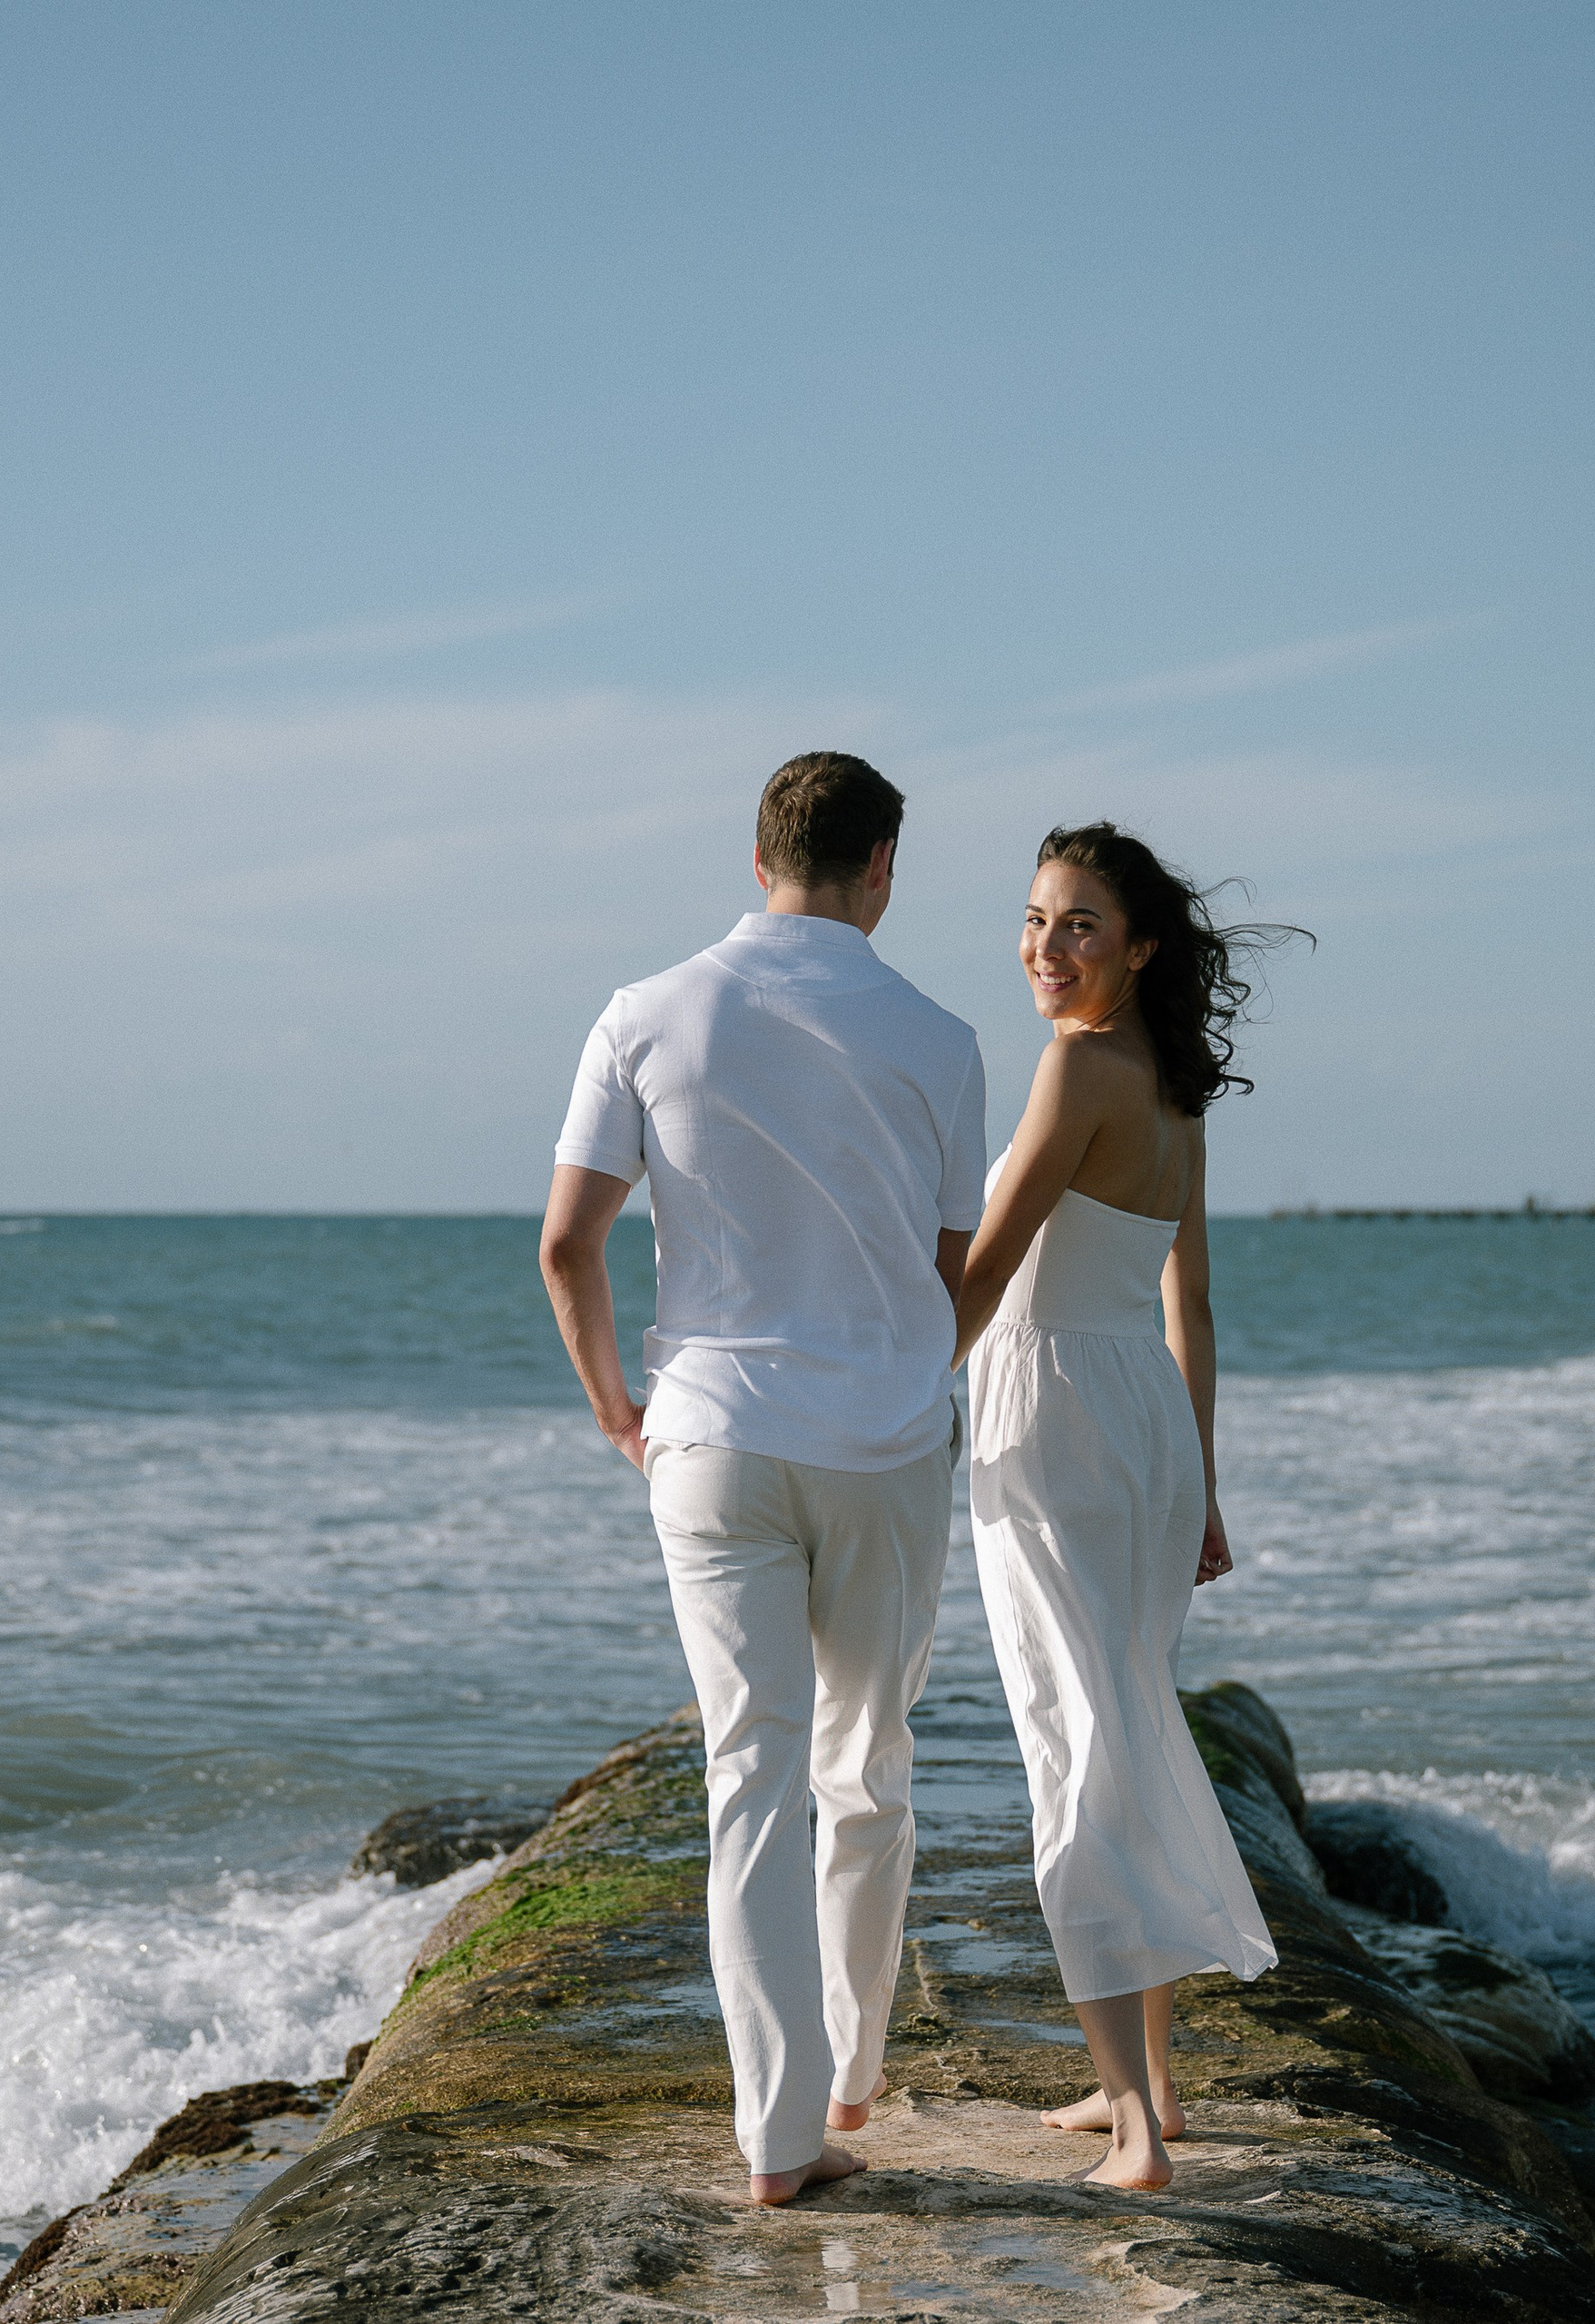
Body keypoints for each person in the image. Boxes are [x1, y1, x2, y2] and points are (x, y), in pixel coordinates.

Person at [540, 752, 987, 2206]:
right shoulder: (940, 1035)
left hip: (711, 1434)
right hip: (885, 1443)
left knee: (752, 1780)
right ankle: (857, 2078)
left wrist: (622, 1407)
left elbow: (567, 1244)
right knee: (869, 1764)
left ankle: (777, 2141)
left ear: (756, 862)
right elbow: (953, 1262)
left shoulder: (644, 1011)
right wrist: (905, 1369)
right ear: (883, 868)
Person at [952, 822, 1295, 2191]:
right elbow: (1188, 1301)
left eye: (1079, 924)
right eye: (1035, 919)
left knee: (1072, 1745)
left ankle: (1137, 2131)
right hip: (1143, 1423)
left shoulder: (1077, 1066)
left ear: (1140, 947)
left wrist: (885, 1396)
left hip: (1053, 1422)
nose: (1045, 947)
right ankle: (1145, 2088)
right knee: (1125, 1726)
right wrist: (1201, 1477)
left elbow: (984, 1273)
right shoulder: (1171, 1080)